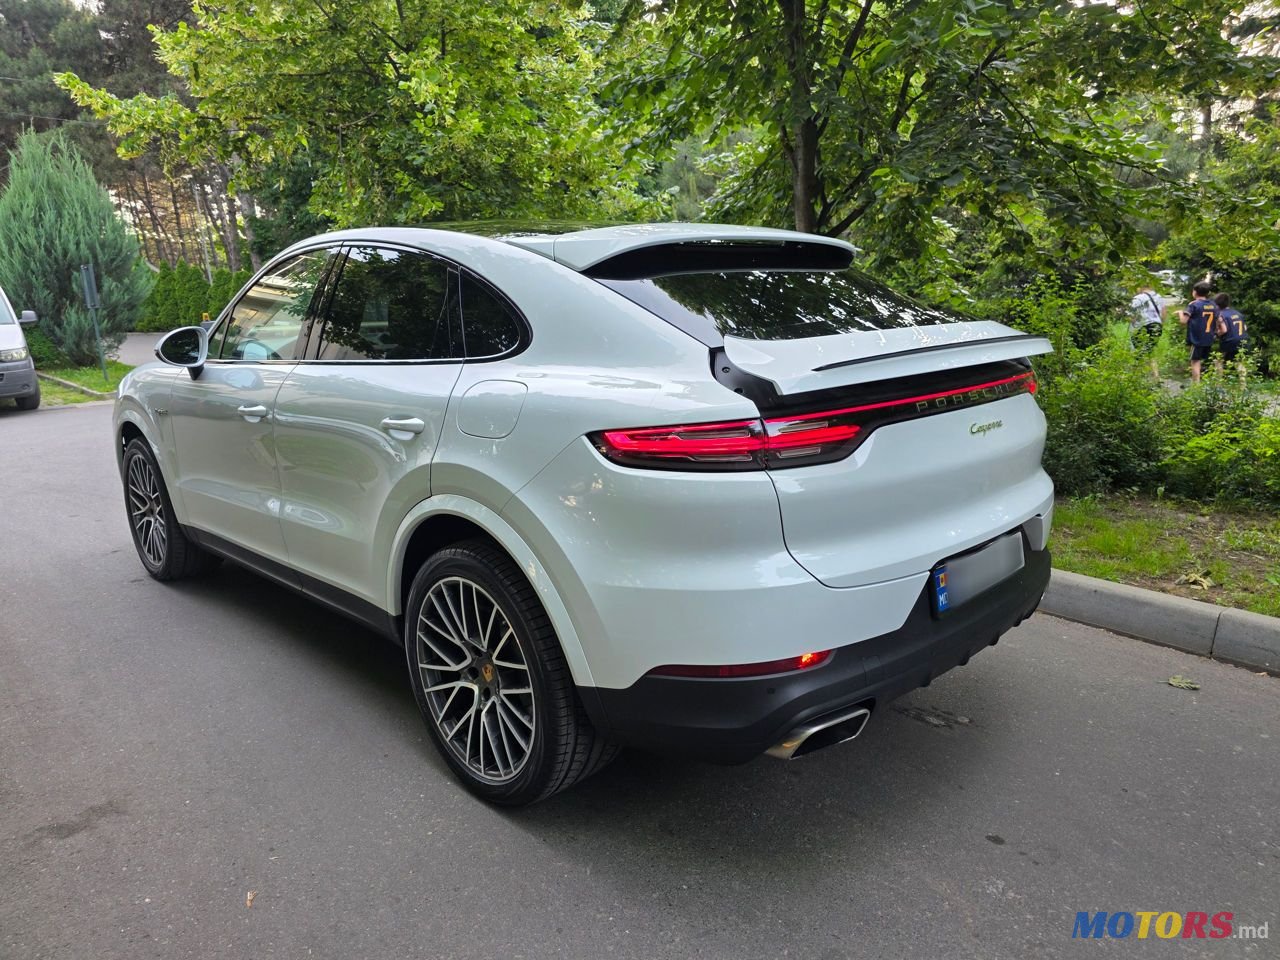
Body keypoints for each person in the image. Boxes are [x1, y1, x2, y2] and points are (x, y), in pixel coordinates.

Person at [1177, 281, 1218, 383]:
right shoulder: (1213, 305)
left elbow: (1183, 321)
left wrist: (1180, 313)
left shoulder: (1194, 305)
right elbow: (1218, 320)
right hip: (1209, 337)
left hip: (1197, 338)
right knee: (1205, 360)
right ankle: (1210, 382)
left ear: (1194, 292)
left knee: (1195, 361)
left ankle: (1196, 385)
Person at [1128, 284, 1165, 376]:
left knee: (1138, 353)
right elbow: (1164, 314)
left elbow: (1131, 316)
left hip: (1142, 327)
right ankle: (1156, 377)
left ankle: (1137, 377)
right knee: (1150, 352)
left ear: (1141, 287)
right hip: (1157, 326)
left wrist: (1133, 323)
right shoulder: (1159, 297)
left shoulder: (1138, 298)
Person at [1214, 292, 1248, 386]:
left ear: (1217, 304)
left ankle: (1218, 384)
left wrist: (1216, 334)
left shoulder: (1221, 315)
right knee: (1239, 361)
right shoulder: (1237, 313)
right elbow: (1245, 328)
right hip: (1243, 339)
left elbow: (1224, 330)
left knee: (1218, 360)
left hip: (1230, 340)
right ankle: (1243, 385)